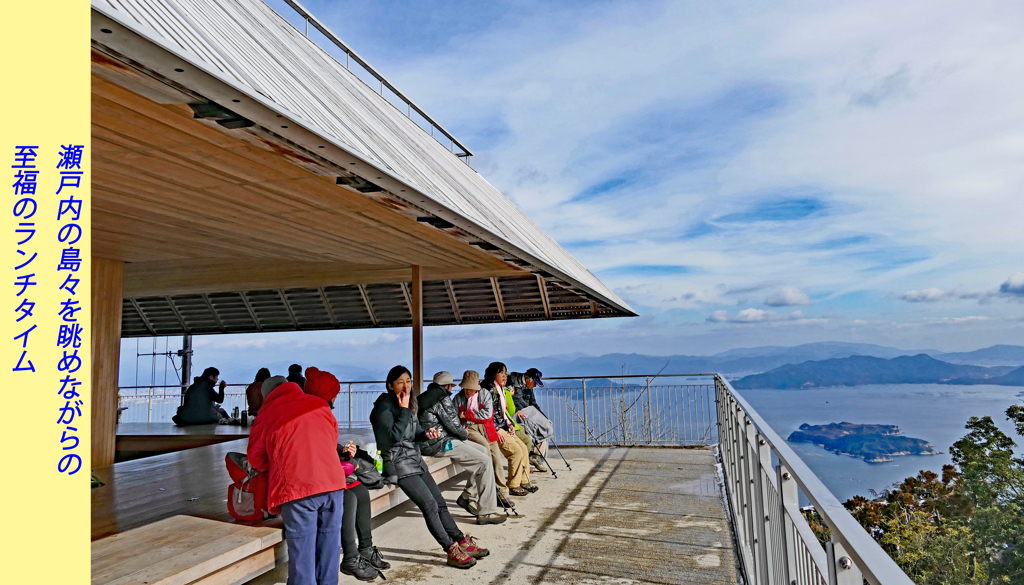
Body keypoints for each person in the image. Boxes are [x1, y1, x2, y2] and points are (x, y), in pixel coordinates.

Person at [370, 366, 487, 568]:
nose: (406, 386)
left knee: (440, 502)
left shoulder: (408, 403)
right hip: (398, 464)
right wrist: (406, 410)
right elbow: (393, 438)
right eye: (400, 382)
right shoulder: (383, 407)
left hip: (415, 458)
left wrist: (426, 434)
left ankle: (460, 540)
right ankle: (450, 549)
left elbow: (414, 432)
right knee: (430, 506)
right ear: (390, 385)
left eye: (408, 381)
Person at [248, 373, 347, 585]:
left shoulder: (266, 414)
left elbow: (255, 458)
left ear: (267, 396)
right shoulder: (318, 404)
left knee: (302, 555)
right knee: (329, 546)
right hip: (333, 484)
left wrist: (277, 464)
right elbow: (332, 440)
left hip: (297, 489)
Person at [302, 367, 386, 582]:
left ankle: (366, 548)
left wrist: (341, 450)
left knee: (360, 491)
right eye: (335, 394)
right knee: (347, 498)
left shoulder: (316, 411)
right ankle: (350, 557)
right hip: (312, 478)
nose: (336, 398)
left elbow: (325, 444)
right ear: (328, 395)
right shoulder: (313, 413)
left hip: (322, 472)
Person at [418, 371, 505, 525]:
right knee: (485, 461)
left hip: (429, 441)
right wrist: (463, 435)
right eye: (451, 386)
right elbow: (454, 424)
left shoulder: (425, 396)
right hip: (440, 443)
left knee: (483, 451)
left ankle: (468, 495)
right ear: (447, 386)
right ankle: (486, 512)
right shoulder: (442, 398)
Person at [452, 371, 512, 504]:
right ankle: (480, 492)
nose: (467, 391)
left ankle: (502, 491)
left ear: (477, 386)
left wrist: (467, 414)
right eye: (465, 388)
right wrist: (462, 428)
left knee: (496, 458)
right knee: (486, 456)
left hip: (487, 429)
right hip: (469, 430)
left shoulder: (484, 394)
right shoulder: (458, 398)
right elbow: (454, 418)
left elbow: (487, 415)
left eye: (470, 388)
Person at [481, 362, 534, 496]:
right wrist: (498, 428)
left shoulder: (499, 389)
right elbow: (488, 413)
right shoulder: (489, 389)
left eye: (505, 373)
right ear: (494, 374)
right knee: (515, 452)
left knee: (523, 448)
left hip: (503, 426)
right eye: (502, 373)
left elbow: (502, 412)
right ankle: (513, 485)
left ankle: (524, 480)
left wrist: (508, 424)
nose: (505, 376)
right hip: (495, 429)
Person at [508, 368, 554, 472]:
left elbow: (533, 404)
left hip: (526, 415)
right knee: (537, 430)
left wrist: (544, 418)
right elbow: (514, 402)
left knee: (545, 427)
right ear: (528, 379)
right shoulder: (513, 384)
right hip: (515, 415)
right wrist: (517, 410)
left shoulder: (527, 386)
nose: (535, 386)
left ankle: (535, 456)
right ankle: (532, 458)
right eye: (535, 383)